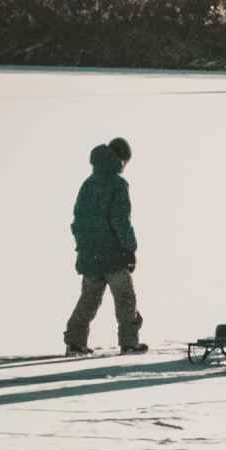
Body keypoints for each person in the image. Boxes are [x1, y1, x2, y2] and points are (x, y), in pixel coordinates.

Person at [63, 138, 147, 356]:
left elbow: (77, 220)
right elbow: (121, 220)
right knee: (125, 297)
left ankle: (75, 343)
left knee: (89, 298)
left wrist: (84, 248)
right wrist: (130, 249)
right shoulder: (118, 184)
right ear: (121, 159)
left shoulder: (88, 183)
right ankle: (129, 343)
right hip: (113, 253)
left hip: (90, 254)